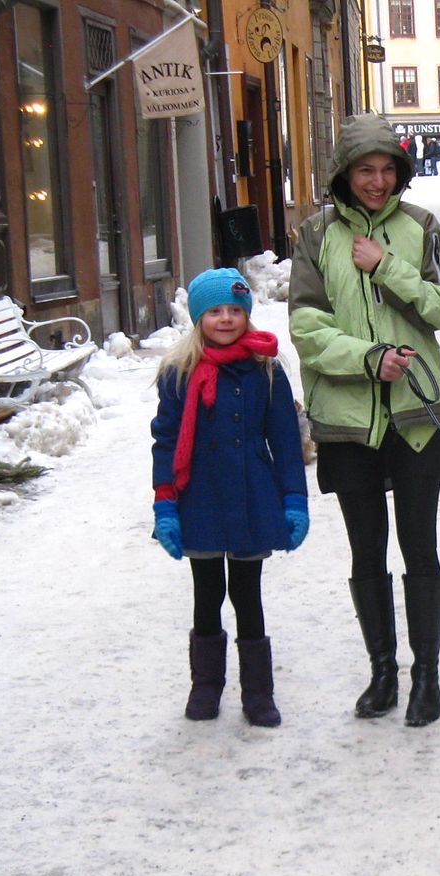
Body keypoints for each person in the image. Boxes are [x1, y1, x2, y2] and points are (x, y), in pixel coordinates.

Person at [288, 113, 440, 728]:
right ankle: (382, 671)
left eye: (388, 169)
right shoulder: (314, 235)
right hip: (347, 422)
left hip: (414, 417)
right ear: (344, 172)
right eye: (366, 169)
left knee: (421, 548)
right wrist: (367, 359)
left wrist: (385, 265)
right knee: (367, 553)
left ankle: (427, 677)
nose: (378, 181)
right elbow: (307, 330)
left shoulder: (421, 227)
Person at [150, 268, 309, 729]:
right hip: (198, 498)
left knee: (247, 594)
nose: (225, 319)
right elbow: (165, 440)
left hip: (250, 498)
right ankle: (206, 685)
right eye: (215, 311)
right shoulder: (179, 374)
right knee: (207, 594)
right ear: (199, 317)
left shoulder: (266, 369)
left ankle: (258, 693)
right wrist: (165, 503)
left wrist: (293, 499)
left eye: (235, 310)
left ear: (247, 315)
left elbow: (285, 440)